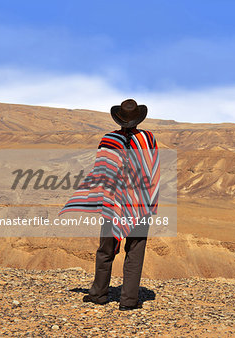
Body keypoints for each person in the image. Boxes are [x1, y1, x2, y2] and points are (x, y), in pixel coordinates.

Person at [58, 99, 159, 311]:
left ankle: (98, 294)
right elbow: (153, 170)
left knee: (106, 249)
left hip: (112, 204)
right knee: (135, 250)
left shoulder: (108, 140)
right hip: (139, 204)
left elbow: (101, 172)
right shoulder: (148, 139)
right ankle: (129, 301)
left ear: (120, 118)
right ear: (138, 118)